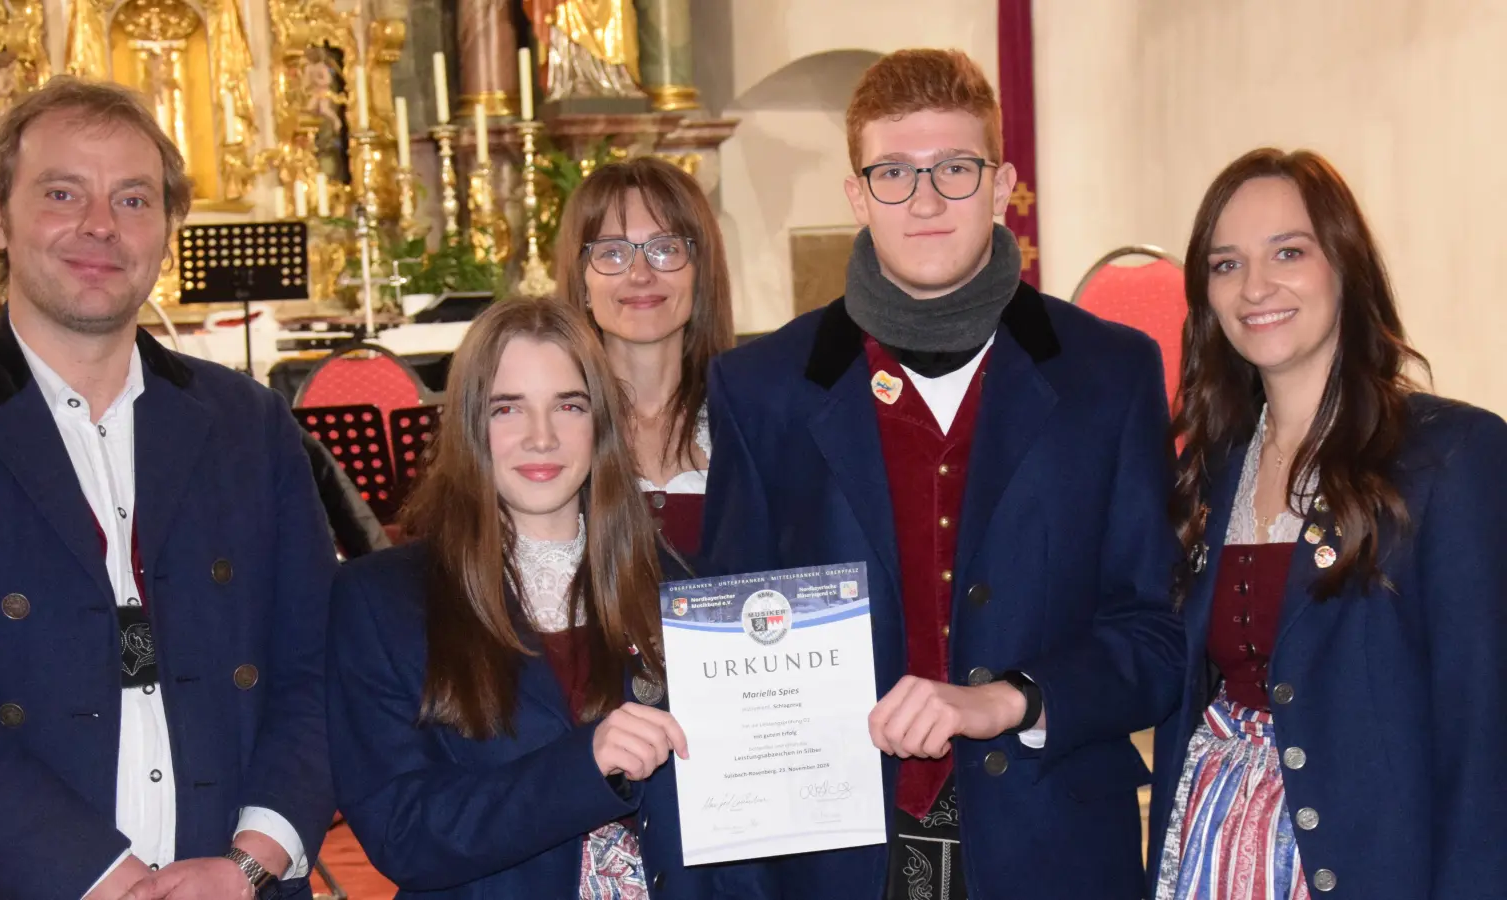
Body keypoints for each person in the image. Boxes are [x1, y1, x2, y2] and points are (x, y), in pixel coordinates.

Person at [698, 48, 1183, 899]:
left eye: (954, 169)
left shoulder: (1110, 374)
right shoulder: (762, 389)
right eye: (893, 172)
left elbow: (1154, 635)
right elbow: (734, 647)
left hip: (1055, 844)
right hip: (838, 854)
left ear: (1000, 187)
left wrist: (1014, 698)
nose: (923, 200)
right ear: (856, 195)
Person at [0, 77, 337, 900]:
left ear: (170, 230)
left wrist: (252, 857)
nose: (100, 225)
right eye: (62, 192)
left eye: (134, 199)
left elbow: (318, 666)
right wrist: (97, 876)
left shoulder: (250, 425)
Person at [1149, 148, 1507, 900]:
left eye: (1288, 252)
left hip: (1376, 863)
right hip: (1211, 850)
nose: (1255, 287)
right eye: (1225, 264)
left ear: (1345, 265)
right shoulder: (1212, 469)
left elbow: (1486, 738)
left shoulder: (1450, 456)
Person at [326, 296, 763, 899]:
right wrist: (584, 765)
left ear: (600, 425)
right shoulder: (381, 602)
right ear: (470, 424)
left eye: (569, 406)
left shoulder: (681, 590)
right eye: (508, 409)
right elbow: (402, 832)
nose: (541, 437)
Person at [555, 156, 734, 557]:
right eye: (613, 253)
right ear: (583, 282)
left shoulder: (753, 417)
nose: (640, 274)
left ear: (699, 273)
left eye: (666, 249)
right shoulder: (552, 426)